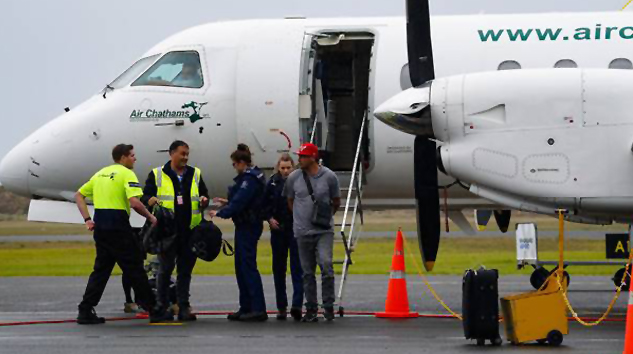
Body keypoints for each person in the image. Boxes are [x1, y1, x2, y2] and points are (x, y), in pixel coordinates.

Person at [74, 144, 157, 325]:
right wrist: (151, 217)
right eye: (132, 155)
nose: (135, 159)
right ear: (123, 157)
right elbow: (135, 202)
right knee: (135, 266)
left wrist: (87, 219)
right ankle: (153, 308)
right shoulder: (127, 174)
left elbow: (78, 195)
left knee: (101, 270)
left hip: (101, 225)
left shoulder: (101, 173)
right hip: (118, 225)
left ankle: (86, 309)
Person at [141, 140, 210, 322]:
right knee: (165, 270)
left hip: (190, 231)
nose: (185, 157)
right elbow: (144, 195)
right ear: (171, 154)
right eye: (182, 154)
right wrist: (150, 201)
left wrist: (204, 200)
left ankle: (183, 307)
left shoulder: (195, 174)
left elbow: (204, 194)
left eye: (187, 154)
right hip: (167, 232)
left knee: (185, 272)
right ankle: (162, 307)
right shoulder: (156, 174)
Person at [209, 144, 268, 322]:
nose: (234, 168)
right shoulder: (253, 177)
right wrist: (227, 203)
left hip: (248, 226)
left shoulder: (249, 180)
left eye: (235, 164)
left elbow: (241, 201)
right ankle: (247, 306)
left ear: (241, 163)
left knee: (247, 266)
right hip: (246, 225)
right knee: (241, 267)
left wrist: (221, 213)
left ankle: (256, 308)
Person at [284, 143, 341, 322]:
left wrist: (324, 218)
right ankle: (311, 308)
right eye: (299, 156)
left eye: (303, 156)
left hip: (323, 230)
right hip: (302, 232)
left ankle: (328, 305)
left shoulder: (329, 177)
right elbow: (290, 201)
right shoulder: (294, 178)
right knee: (307, 272)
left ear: (313, 157)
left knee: (326, 265)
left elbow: (336, 201)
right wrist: (301, 219)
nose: (299, 159)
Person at [263, 153, 303, 321]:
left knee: (297, 268)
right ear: (278, 168)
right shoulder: (272, 183)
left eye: (288, 168)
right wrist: (269, 218)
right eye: (283, 168)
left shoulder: (300, 181)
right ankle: (281, 306)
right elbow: (263, 204)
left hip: (295, 229)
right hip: (278, 230)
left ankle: (297, 305)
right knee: (279, 269)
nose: (286, 171)